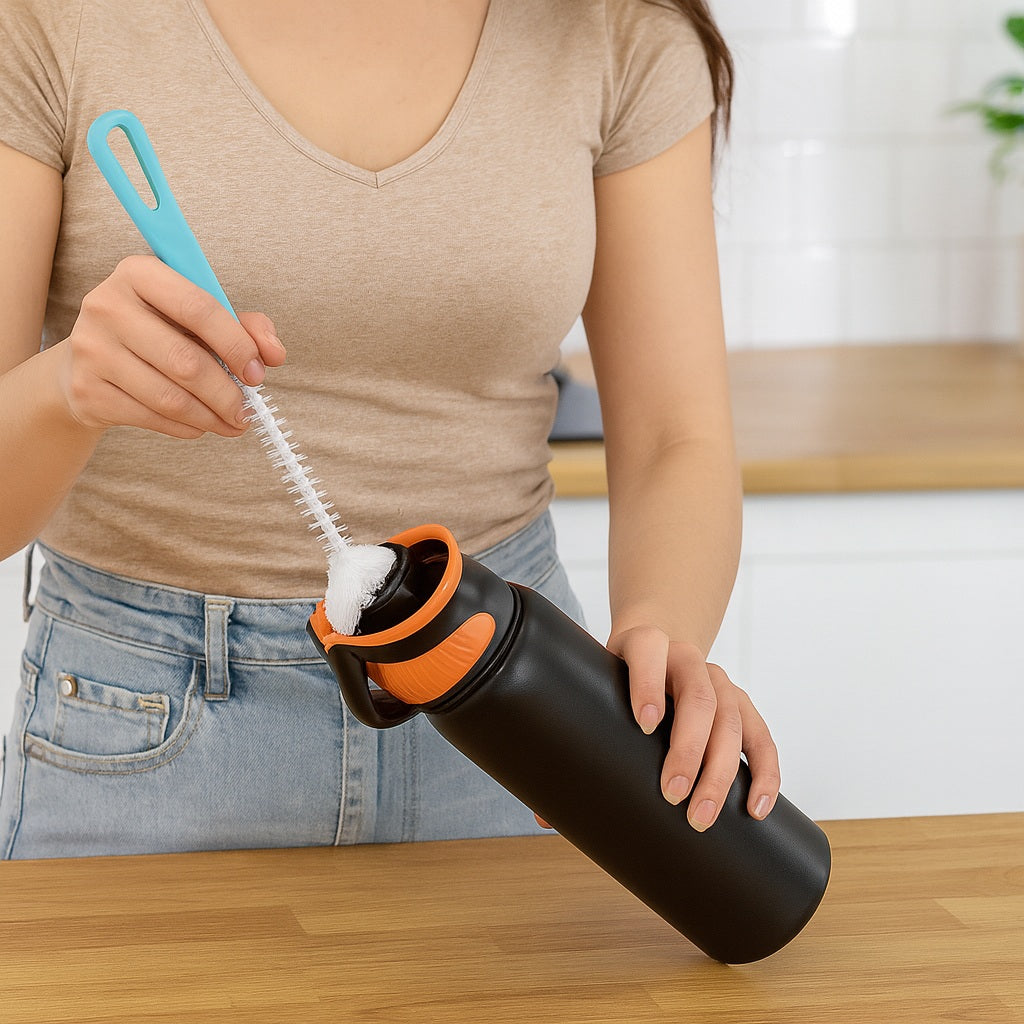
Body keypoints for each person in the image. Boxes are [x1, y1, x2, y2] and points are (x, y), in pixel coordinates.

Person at [0, 0, 781, 859]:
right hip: (141, 714)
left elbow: (679, 435)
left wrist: (659, 638)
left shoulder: (616, 29)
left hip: (514, 702)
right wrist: (66, 389)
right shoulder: (47, 22)